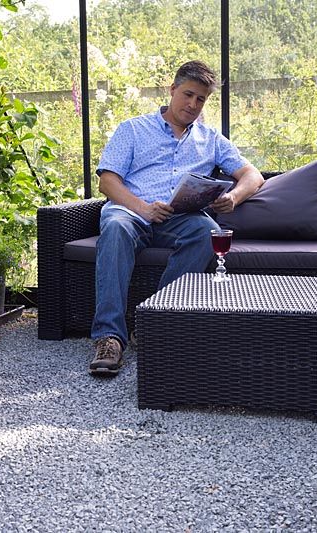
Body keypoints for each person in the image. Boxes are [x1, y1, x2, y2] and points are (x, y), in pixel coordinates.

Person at [90, 60, 263, 376]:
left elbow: (253, 175)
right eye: (188, 95)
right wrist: (143, 208)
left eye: (201, 99)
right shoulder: (132, 129)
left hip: (179, 218)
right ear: (172, 90)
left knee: (208, 232)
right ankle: (109, 337)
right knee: (114, 228)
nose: (193, 104)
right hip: (131, 212)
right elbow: (107, 181)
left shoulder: (211, 139)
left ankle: (153, 320)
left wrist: (233, 197)